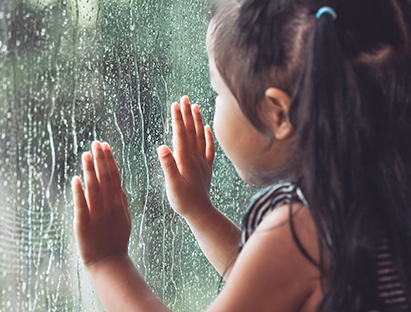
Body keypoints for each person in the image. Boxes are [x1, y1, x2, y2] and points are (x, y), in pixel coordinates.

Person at [71, 0, 411, 311]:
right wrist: (199, 212)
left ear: (278, 113)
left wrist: (108, 261)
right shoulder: (372, 197)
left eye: (218, 92)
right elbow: (264, 284)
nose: (214, 103)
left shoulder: (304, 231)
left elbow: (273, 271)